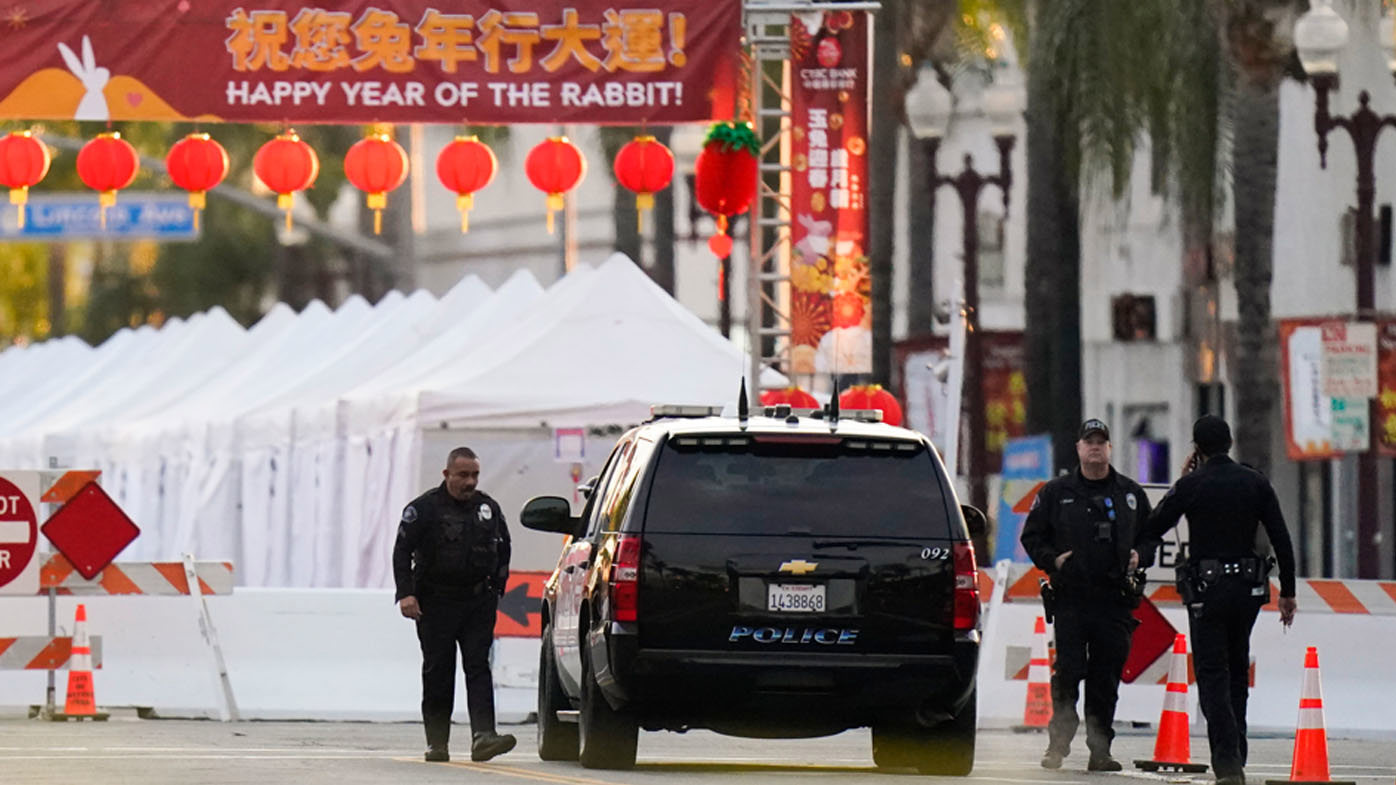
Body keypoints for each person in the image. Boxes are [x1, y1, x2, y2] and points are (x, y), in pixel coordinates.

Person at [1136, 415, 1297, 785]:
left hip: (1207, 592)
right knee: (1237, 668)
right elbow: (1281, 538)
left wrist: (1183, 481)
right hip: (1248, 591)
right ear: (1229, 443)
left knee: (1212, 674)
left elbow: (1155, 525)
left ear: (1197, 448)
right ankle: (1236, 750)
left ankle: (1227, 763)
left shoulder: (1192, 484)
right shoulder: (1256, 482)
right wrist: (1287, 591)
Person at [1020, 418, 1151, 772]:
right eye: (1088, 441)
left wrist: (1141, 555)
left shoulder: (1129, 494)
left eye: (1101, 441)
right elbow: (1032, 537)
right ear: (1078, 448)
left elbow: (1151, 536)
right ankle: (1057, 745)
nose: (1095, 447)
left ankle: (1100, 750)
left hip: (1114, 600)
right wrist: (1054, 561)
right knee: (1068, 673)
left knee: (1105, 677)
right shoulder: (1056, 492)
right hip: (1072, 599)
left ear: (1109, 448)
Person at [393, 447, 516, 763]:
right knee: (438, 671)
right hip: (435, 603)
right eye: (463, 475)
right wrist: (406, 594)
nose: (470, 482)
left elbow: (504, 548)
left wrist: (496, 589)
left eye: (474, 475)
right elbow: (401, 552)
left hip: (477, 602)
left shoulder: (488, 508)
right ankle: (437, 743)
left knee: (478, 667)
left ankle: (484, 737)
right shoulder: (424, 509)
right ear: (447, 474)